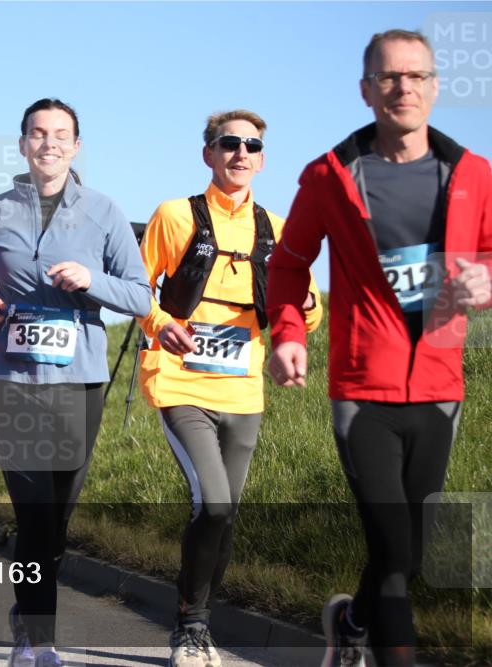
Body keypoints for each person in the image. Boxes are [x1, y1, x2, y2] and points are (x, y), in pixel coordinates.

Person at [266, 29, 492, 667]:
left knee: (409, 554)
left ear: (435, 87)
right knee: (393, 549)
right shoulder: (331, 176)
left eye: (416, 76)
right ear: (366, 90)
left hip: (440, 388)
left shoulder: (474, 175)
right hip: (363, 389)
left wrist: (485, 280)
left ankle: (350, 621)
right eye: (389, 77)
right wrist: (287, 334)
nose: (403, 88)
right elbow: (288, 264)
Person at [0, 98, 151, 667]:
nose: (49, 143)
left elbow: (141, 296)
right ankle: (37, 640)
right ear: (22, 145)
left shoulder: (104, 211)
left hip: (79, 381)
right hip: (12, 378)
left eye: (61, 134)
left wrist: (92, 280)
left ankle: (27, 612)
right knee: (34, 514)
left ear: (76, 146)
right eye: (38, 134)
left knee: (58, 520)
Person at [136, 110, 323, 667]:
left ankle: (201, 625)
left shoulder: (279, 228)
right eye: (229, 143)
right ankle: (189, 630)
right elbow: (135, 288)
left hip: (243, 390)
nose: (241, 153)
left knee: (224, 515)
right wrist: (159, 324)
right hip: (180, 382)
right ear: (209, 154)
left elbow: (307, 311)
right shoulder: (174, 215)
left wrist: (305, 306)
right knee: (212, 503)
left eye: (252, 146)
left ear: (262, 160)